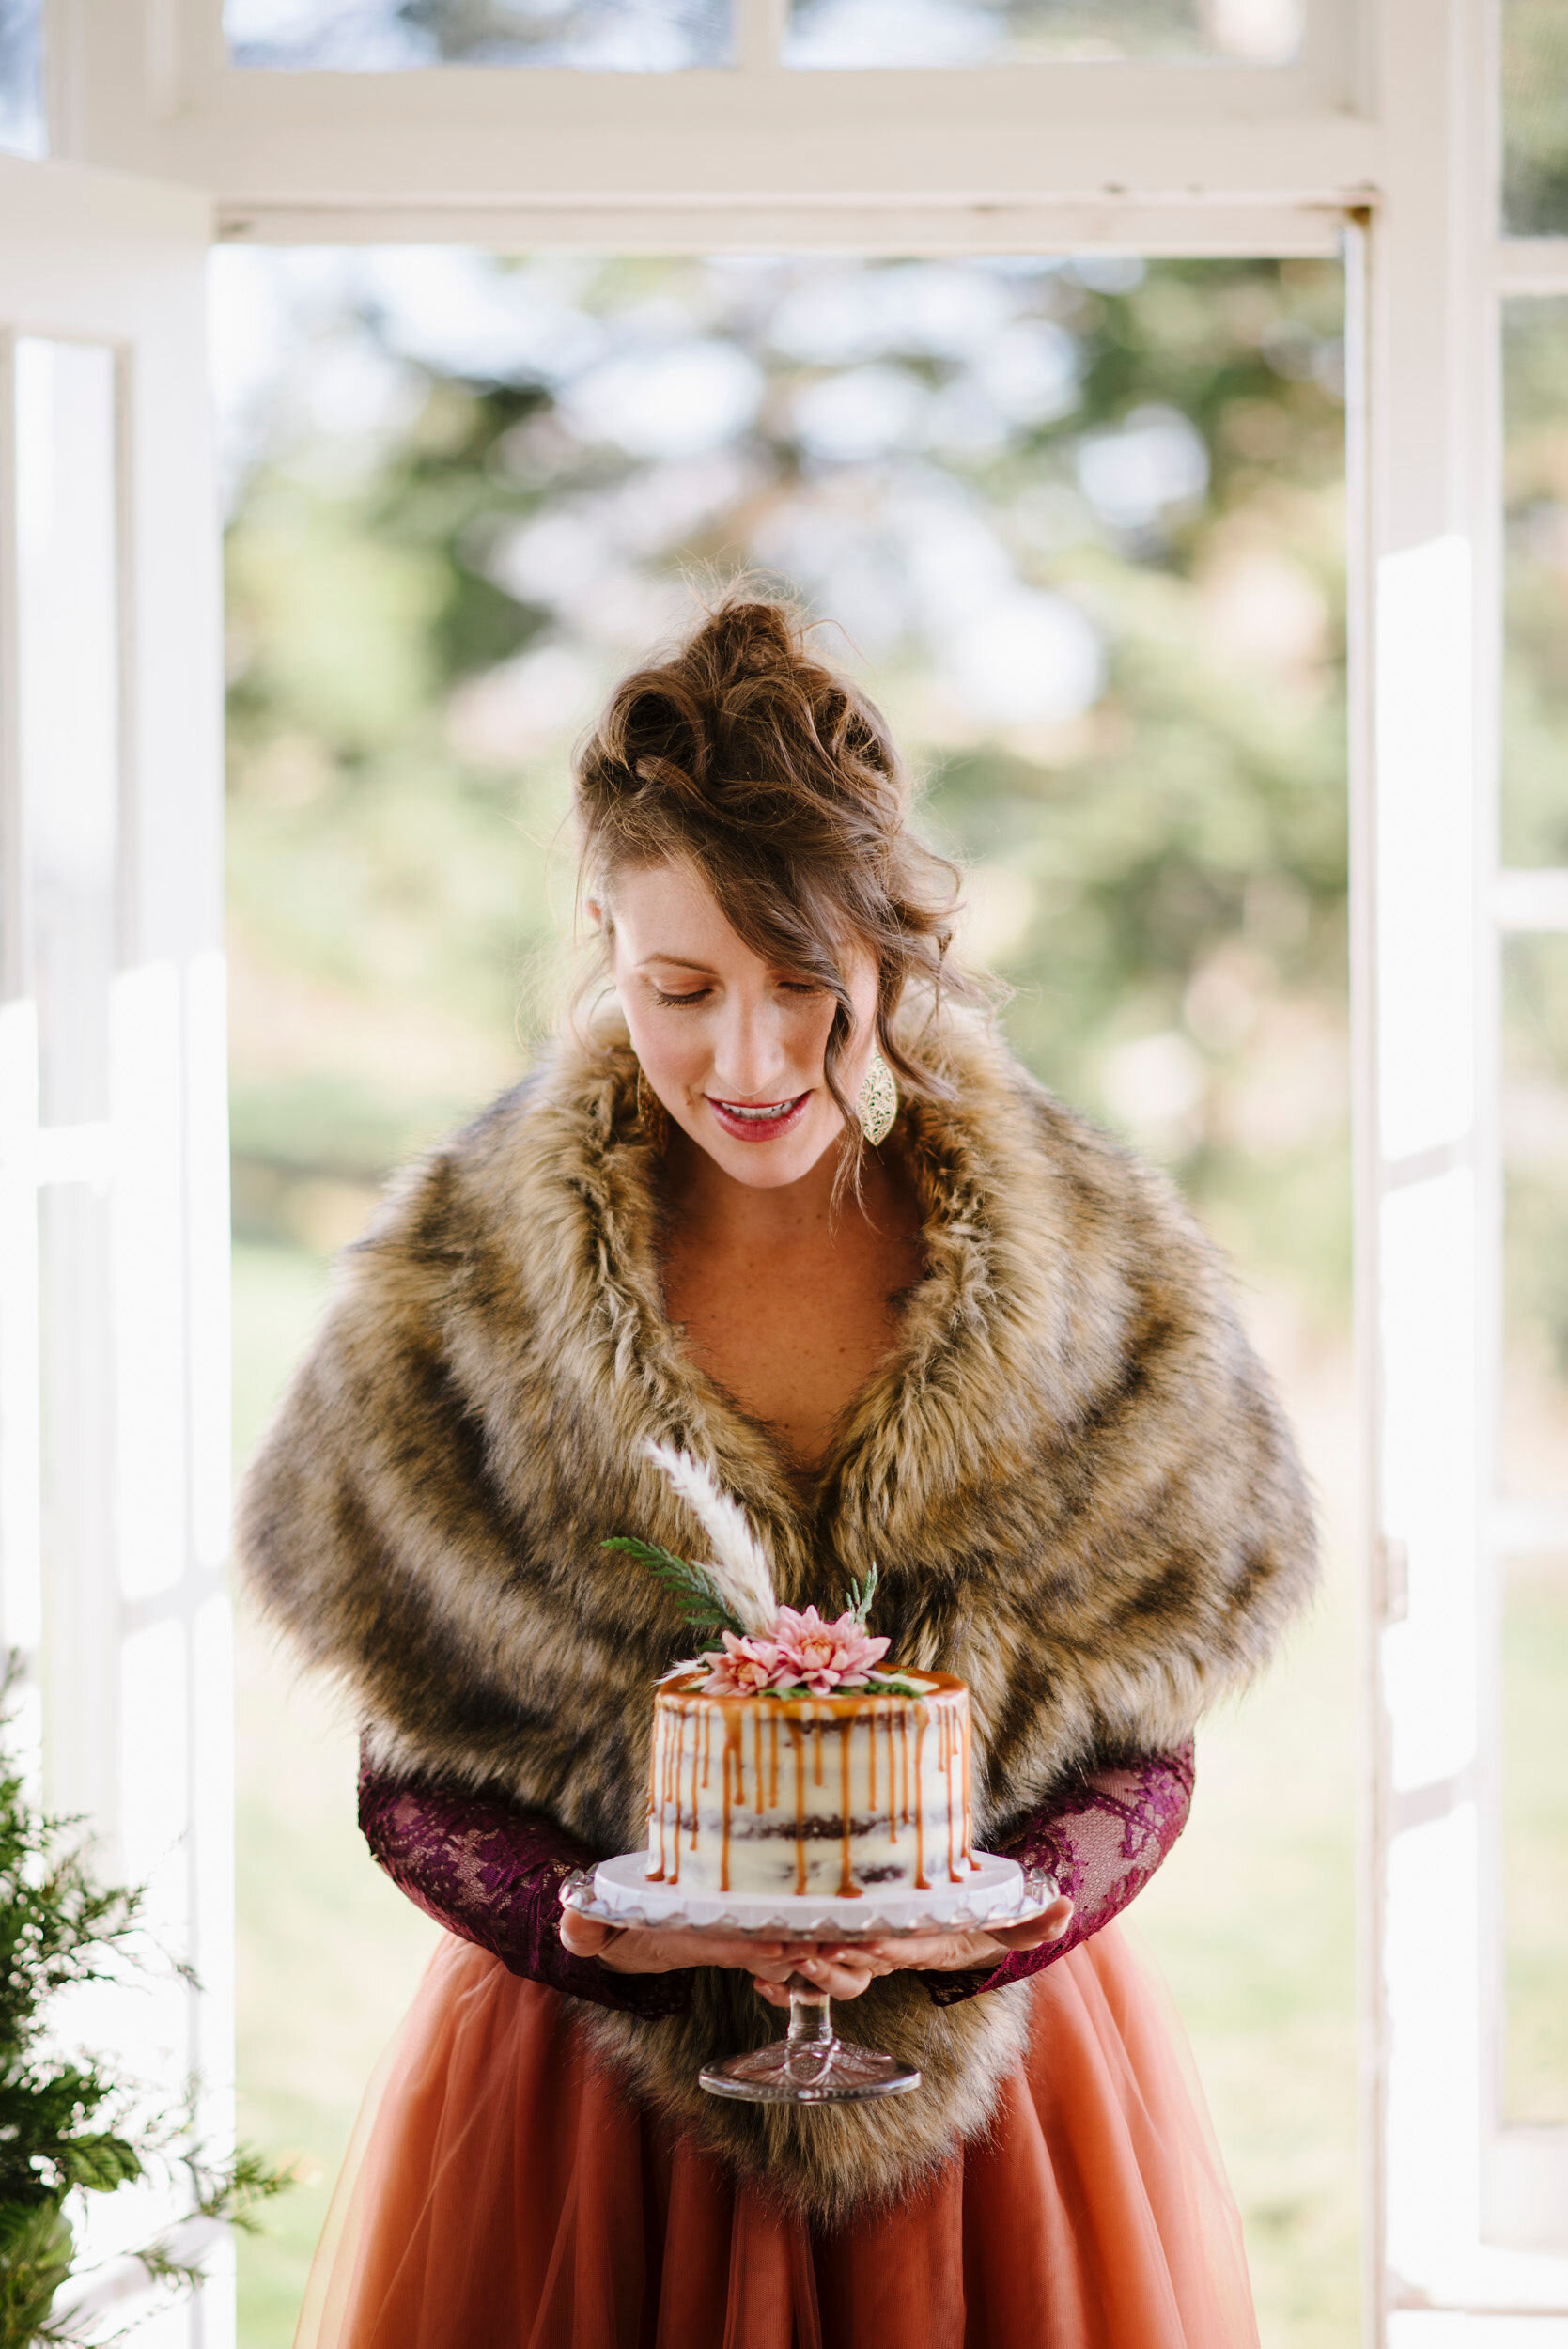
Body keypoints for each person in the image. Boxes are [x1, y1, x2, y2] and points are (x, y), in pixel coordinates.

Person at [236, 595, 1316, 2349]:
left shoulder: (1099, 1264)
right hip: (590, 2119)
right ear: (602, 937)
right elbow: (407, 1769)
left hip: (998, 2107)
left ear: (898, 950)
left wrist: (996, 1923)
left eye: (807, 985)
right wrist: (593, 1929)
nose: (746, 1062)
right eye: (680, 989)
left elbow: (1149, 1731)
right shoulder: (460, 1283)